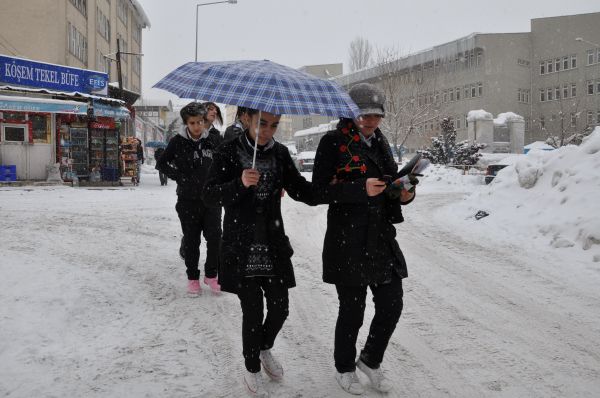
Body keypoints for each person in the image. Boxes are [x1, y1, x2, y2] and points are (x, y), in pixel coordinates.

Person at [312, 82, 419, 395]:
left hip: (381, 236)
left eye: (377, 115)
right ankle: (344, 367)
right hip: (348, 239)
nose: (371, 121)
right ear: (350, 112)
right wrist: (358, 189)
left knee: (392, 303)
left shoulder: (381, 142)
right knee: (352, 310)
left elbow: (389, 184)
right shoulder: (333, 143)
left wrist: (404, 192)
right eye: (364, 114)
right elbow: (318, 191)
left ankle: (370, 360)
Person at [202, 109, 316, 397]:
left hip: (272, 241)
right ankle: (251, 364)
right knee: (252, 310)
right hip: (242, 244)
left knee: (280, 307)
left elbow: (301, 189)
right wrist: (239, 183)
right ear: (246, 120)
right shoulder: (228, 150)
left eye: (274, 125)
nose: (268, 130)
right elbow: (210, 194)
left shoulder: (279, 153)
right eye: (262, 123)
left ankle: (264, 347)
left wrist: (338, 189)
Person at [155, 102, 222, 295]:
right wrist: (180, 177)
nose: (197, 126)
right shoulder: (177, 142)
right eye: (193, 123)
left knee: (216, 239)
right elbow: (162, 164)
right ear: (187, 123)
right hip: (188, 201)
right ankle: (193, 279)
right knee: (192, 242)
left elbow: (224, 164)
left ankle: (211, 276)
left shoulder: (213, 141)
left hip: (212, 200)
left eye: (200, 122)